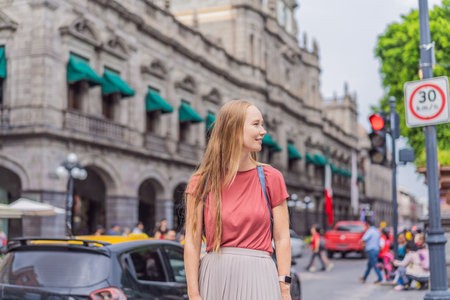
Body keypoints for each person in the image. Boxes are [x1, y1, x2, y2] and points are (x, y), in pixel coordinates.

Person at [184, 100, 292, 300]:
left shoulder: (271, 177)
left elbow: (282, 238)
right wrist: (193, 294)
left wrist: (284, 287)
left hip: (260, 277)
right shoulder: (201, 181)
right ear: (233, 129)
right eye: (256, 124)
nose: (263, 131)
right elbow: (192, 241)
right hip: (215, 278)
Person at [359, 219, 383, 284]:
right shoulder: (376, 231)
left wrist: (362, 243)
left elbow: (363, 239)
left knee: (375, 265)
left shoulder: (370, 231)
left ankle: (380, 278)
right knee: (369, 265)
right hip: (376, 250)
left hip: (371, 250)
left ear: (368, 225)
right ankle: (364, 277)